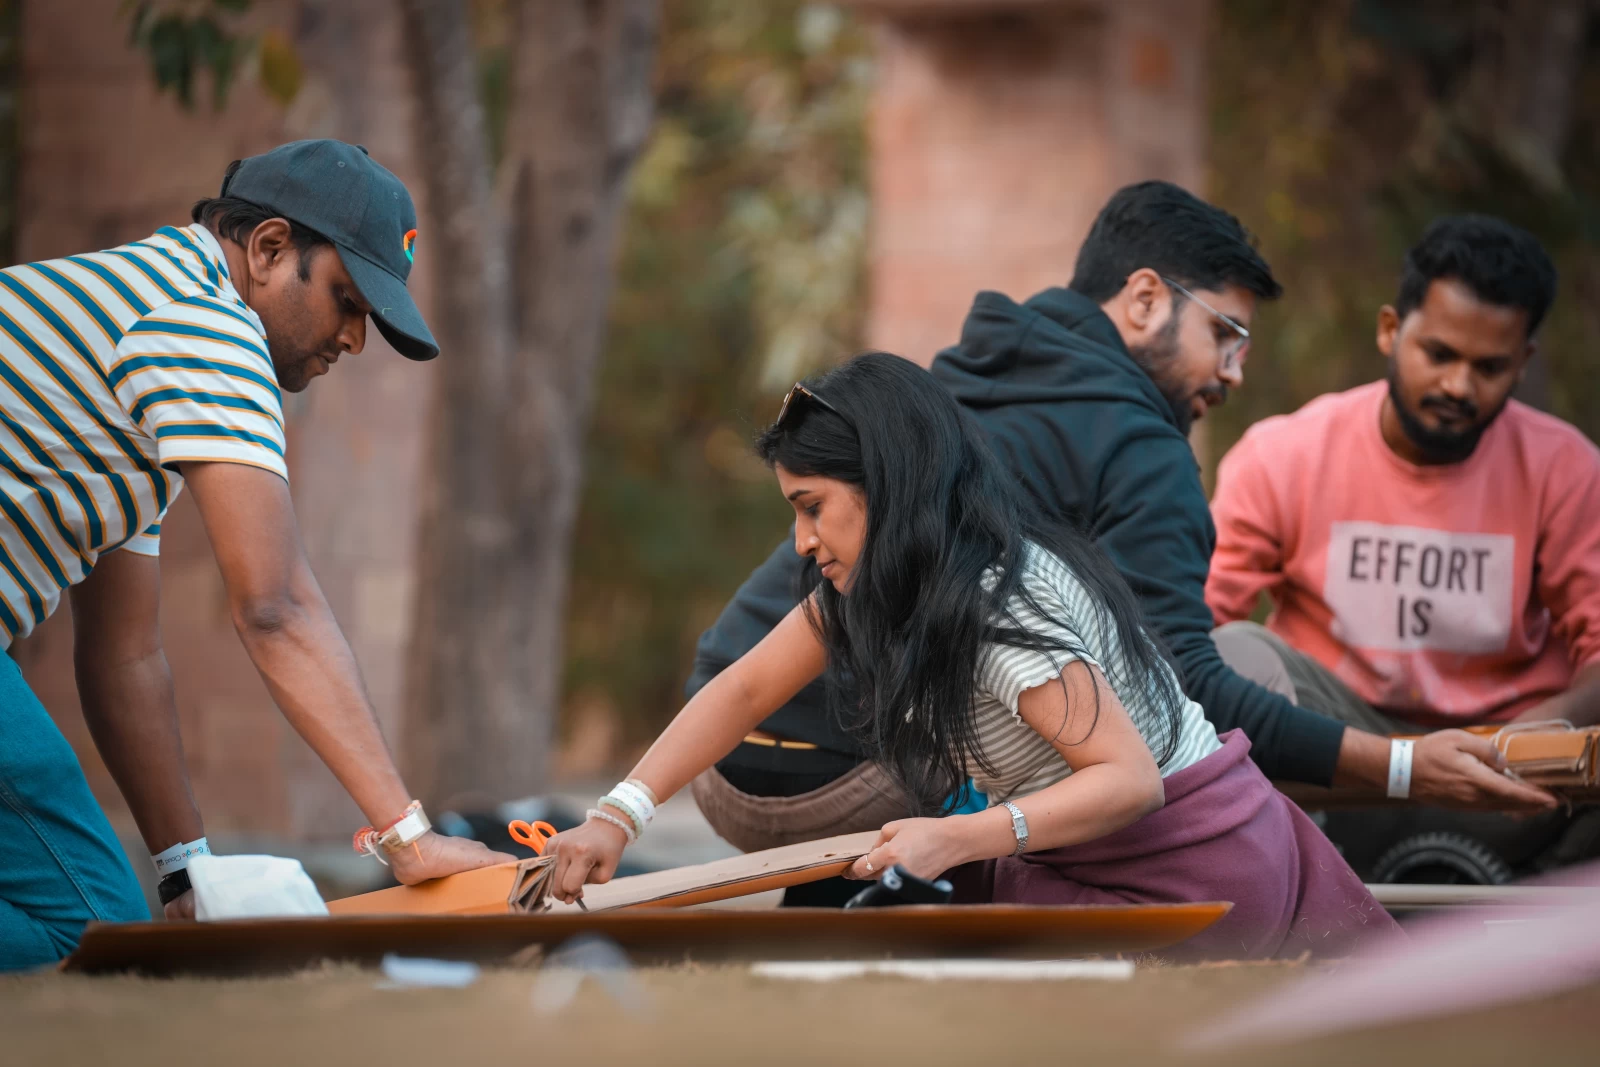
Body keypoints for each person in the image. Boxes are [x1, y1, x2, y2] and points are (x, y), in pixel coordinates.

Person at [687, 183, 1527, 874]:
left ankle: (885, 889)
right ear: (1146, 299)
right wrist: (1402, 763)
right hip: (841, 778)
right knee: (1139, 716)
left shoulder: (963, 374)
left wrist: (628, 807)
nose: (1232, 371)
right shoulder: (1141, 448)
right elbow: (1188, 681)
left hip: (718, 757)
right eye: (1224, 334)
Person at [547, 353, 1396, 958]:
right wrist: (618, 814)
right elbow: (742, 690)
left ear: (887, 488)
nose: (801, 540)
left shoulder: (995, 603)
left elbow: (1131, 780)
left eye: (813, 507)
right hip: (1119, 860)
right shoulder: (882, 585)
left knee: (910, 953)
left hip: (1189, 874)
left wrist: (955, 838)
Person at [0, 140, 507, 971]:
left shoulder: (140, 326)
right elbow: (276, 607)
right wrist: (408, 837)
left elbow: (124, 654)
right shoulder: (207, 326)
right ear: (269, 248)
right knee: (85, 933)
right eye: (346, 300)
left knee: (105, 925)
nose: (354, 339)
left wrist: (185, 871)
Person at [1206, 215, 1595, 806]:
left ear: (1523, 362)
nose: (1459, 386)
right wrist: (1399, 765)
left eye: (1489, 367)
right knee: (1235, 651)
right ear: (1390, 330)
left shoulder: (1566, 469)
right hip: (1343, 763)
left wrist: (1519, 745)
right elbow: (1194, 628)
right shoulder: (1283, 455)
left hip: (1507, 771)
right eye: (1439, 354)